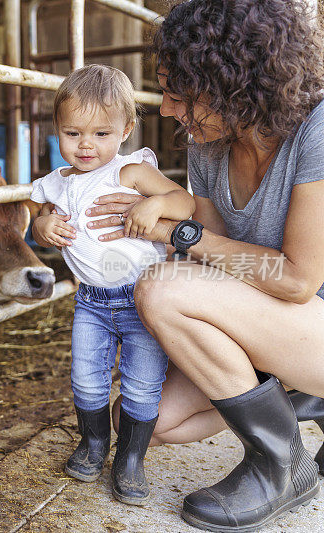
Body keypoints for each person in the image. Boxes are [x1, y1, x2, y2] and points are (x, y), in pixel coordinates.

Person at [53, 0, 324, 530]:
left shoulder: (315, 132)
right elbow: (219, 250)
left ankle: (280, 465)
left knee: (161, 290)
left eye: (180, 96)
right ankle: (302, 396)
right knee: (154, 422)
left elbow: (294, 279)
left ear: (233, 85)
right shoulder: (212, 141)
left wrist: (176, 233)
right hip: (270, 318)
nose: (169, 110)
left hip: (311, 312)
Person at [30, 64, 195, 506]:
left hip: (143, 298)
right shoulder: (55, 183)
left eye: (101, 134)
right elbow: (34, 212)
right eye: (72, 133)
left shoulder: (131, 172)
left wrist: (156, 203)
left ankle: (131, 459)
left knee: (142, 383)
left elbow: (186, 202)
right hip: (90, 302)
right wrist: (43, 224)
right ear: (58, 130)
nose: (86, 145)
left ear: (125, 130)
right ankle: (93, 444)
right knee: (86, 379)